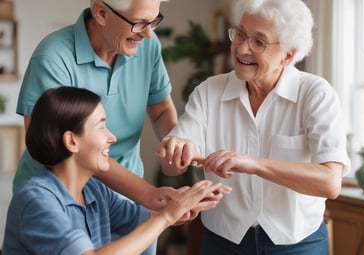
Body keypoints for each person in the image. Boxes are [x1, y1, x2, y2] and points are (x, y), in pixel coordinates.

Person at [156, 0, 351, 254]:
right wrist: (176, 150)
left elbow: (330, 183)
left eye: (258, 42)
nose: (242, 48)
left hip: (299, 244)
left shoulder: (315, 94)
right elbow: (171, 164)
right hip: (223, 242)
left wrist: (255, 164)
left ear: (289, 54)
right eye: (240, 34)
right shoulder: (208, 91)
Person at [3, 87, 230, 255]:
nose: (111, 137)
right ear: (72, 141)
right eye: (101, 126)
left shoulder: (93, 189)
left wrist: (181, 208)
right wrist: (167, 216)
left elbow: (143, 220)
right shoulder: (36, 200)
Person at [14, 0, 179, 211]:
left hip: (127, 197)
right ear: (101, 13)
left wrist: (176, 141)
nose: (147, 34)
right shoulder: (53, 58)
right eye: (138, 23)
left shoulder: (148, 45)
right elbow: (52, 146)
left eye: (153, 21)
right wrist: (147, 193)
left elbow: (161, 110)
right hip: (62, 199)